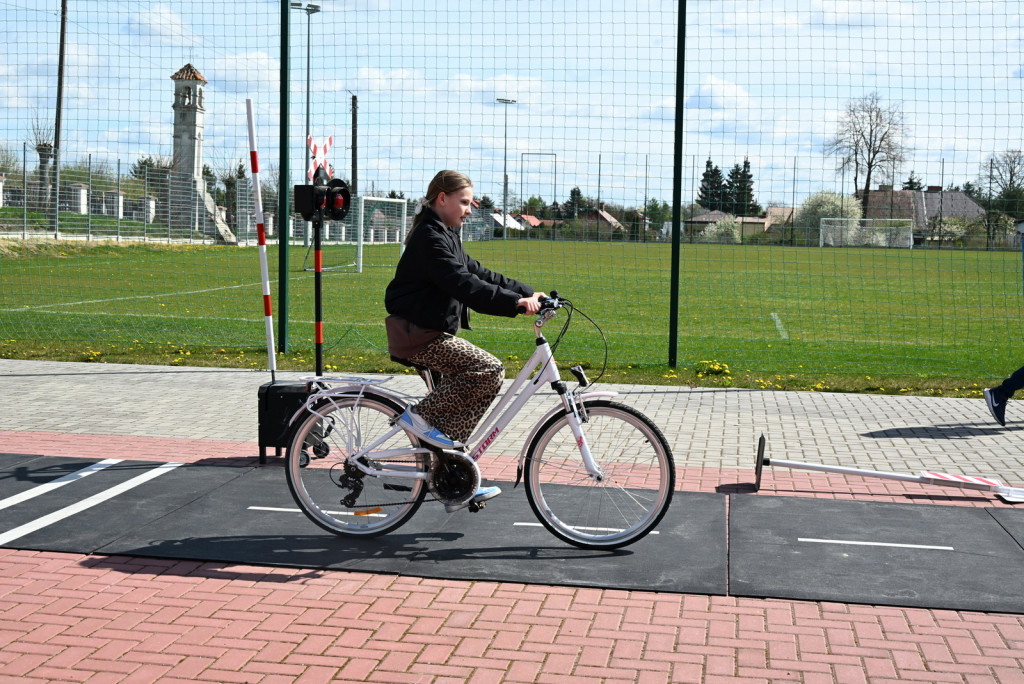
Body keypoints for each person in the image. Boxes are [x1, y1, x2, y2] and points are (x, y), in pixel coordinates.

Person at [384, 170, 545, 512]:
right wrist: (514, 304)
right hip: (419, 335)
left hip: (431, 331)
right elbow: (463, 284)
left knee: (453, 409)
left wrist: (528, 293)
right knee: (488, 370)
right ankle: (417, 418)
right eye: (465, 202)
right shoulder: (430, 237)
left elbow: (479, 272)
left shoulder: (446, 233)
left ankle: (453, 478)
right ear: (442, 199)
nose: (470, 209)